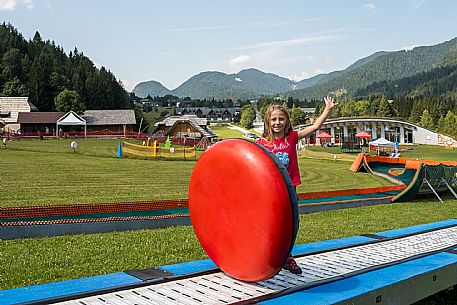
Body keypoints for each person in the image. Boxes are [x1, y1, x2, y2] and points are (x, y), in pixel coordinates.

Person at [256, 95, 337, 274]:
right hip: (270, 191)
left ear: (287, 121)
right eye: (274, 119)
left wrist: (327, 110)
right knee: (270, 223)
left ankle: (288, 257)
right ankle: (265, 256)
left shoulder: (292, 138)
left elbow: (315, 127)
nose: (277, 122)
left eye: (281, 119)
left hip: (290, 189)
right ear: (268, 122)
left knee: (290, 224)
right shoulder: (261, 143)